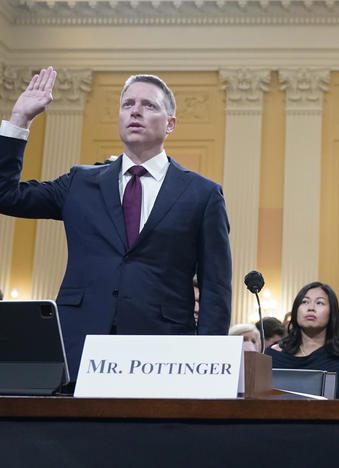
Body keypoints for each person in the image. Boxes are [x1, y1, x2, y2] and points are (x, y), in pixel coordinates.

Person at [0, 67, 232, 380]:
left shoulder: (202, 194)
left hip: (163, 349)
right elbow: (6, 195)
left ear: (170, 124)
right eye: (128, 105)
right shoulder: (80, 183)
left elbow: (215, 286)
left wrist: (208, 364)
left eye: (149, 105)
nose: (135, 111)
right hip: (78, 342)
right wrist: (19, 120)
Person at [264, 281, 339, 399]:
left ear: (332, 313)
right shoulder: (272, 356)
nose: (311, 308)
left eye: (320, 303)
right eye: (304, 302)